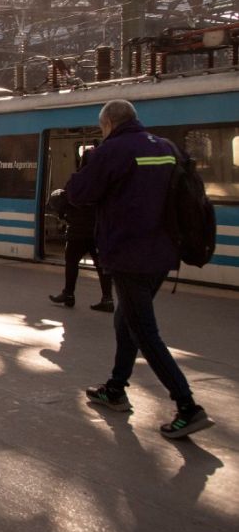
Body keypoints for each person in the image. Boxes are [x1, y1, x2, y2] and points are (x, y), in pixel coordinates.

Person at [66, 99, 214, 439]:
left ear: (108, 124)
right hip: (163, 256)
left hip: (128, 254)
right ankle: (115, 388)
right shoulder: (167, 147)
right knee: (126, 320)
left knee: (144, 332)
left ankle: (187, 406)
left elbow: (77, 193)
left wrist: (88, 160)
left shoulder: (111, 151)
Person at [49, 149, 114, 312]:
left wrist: (65, 214)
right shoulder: (107, 181)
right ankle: (107, 299)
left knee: (71, 262)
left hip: (78, 231)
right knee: (101, 265)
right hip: (98, 231)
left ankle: (68, 294)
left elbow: (66, 200)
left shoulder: (78, 180)